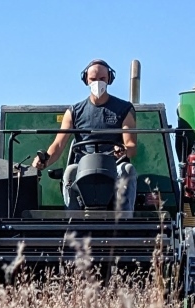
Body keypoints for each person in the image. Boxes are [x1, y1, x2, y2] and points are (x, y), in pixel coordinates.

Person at [28, 59, 139, 216]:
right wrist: (43, 161)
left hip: (114, 166)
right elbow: (58, 145)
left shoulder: (124, 109)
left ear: (109, 79)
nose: (97, 83)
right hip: (83, 168)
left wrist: (123, 150)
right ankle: (73, 223)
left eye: (102, 79)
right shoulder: (74, 112)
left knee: (127, 169)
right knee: (70, 172)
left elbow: (131, 145)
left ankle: (124, 222)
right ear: (86, 79)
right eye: (93, 79)